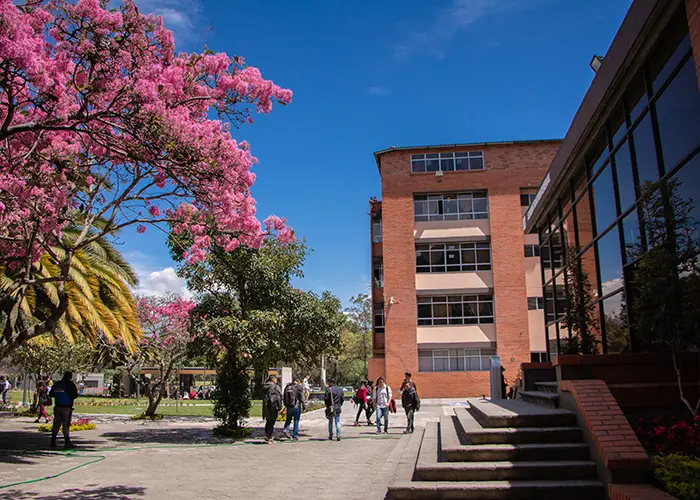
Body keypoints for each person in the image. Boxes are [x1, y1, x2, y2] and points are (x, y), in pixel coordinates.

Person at [49, 371, 79, 449]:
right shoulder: (70, 385)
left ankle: (53, 441)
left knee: (56, 424)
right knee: (66, 424)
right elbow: (75, 395)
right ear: (70, 376)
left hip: (57, 406)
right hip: (66, 407)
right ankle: (67, 442)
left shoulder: (57, 384)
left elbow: (51, 394)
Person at [262, 374, 283, 444]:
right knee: (272, 422)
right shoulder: (275, 387)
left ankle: (266, 435)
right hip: (274, 407)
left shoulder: (265, 387)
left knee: (268, 421)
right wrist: (280, 407)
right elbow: (279, 397)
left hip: (266, 407)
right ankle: (270, 438)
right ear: (274, 380)